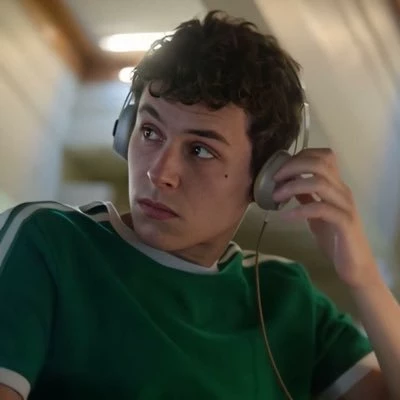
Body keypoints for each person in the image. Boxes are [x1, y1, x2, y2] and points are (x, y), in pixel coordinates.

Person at [0, 10, 399, 400]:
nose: (160, 173)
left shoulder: (286, 298)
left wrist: (364, 277)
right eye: (150, 131)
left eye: (200, 150)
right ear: (125, 130)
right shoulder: (50, 243)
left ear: (266, 178)